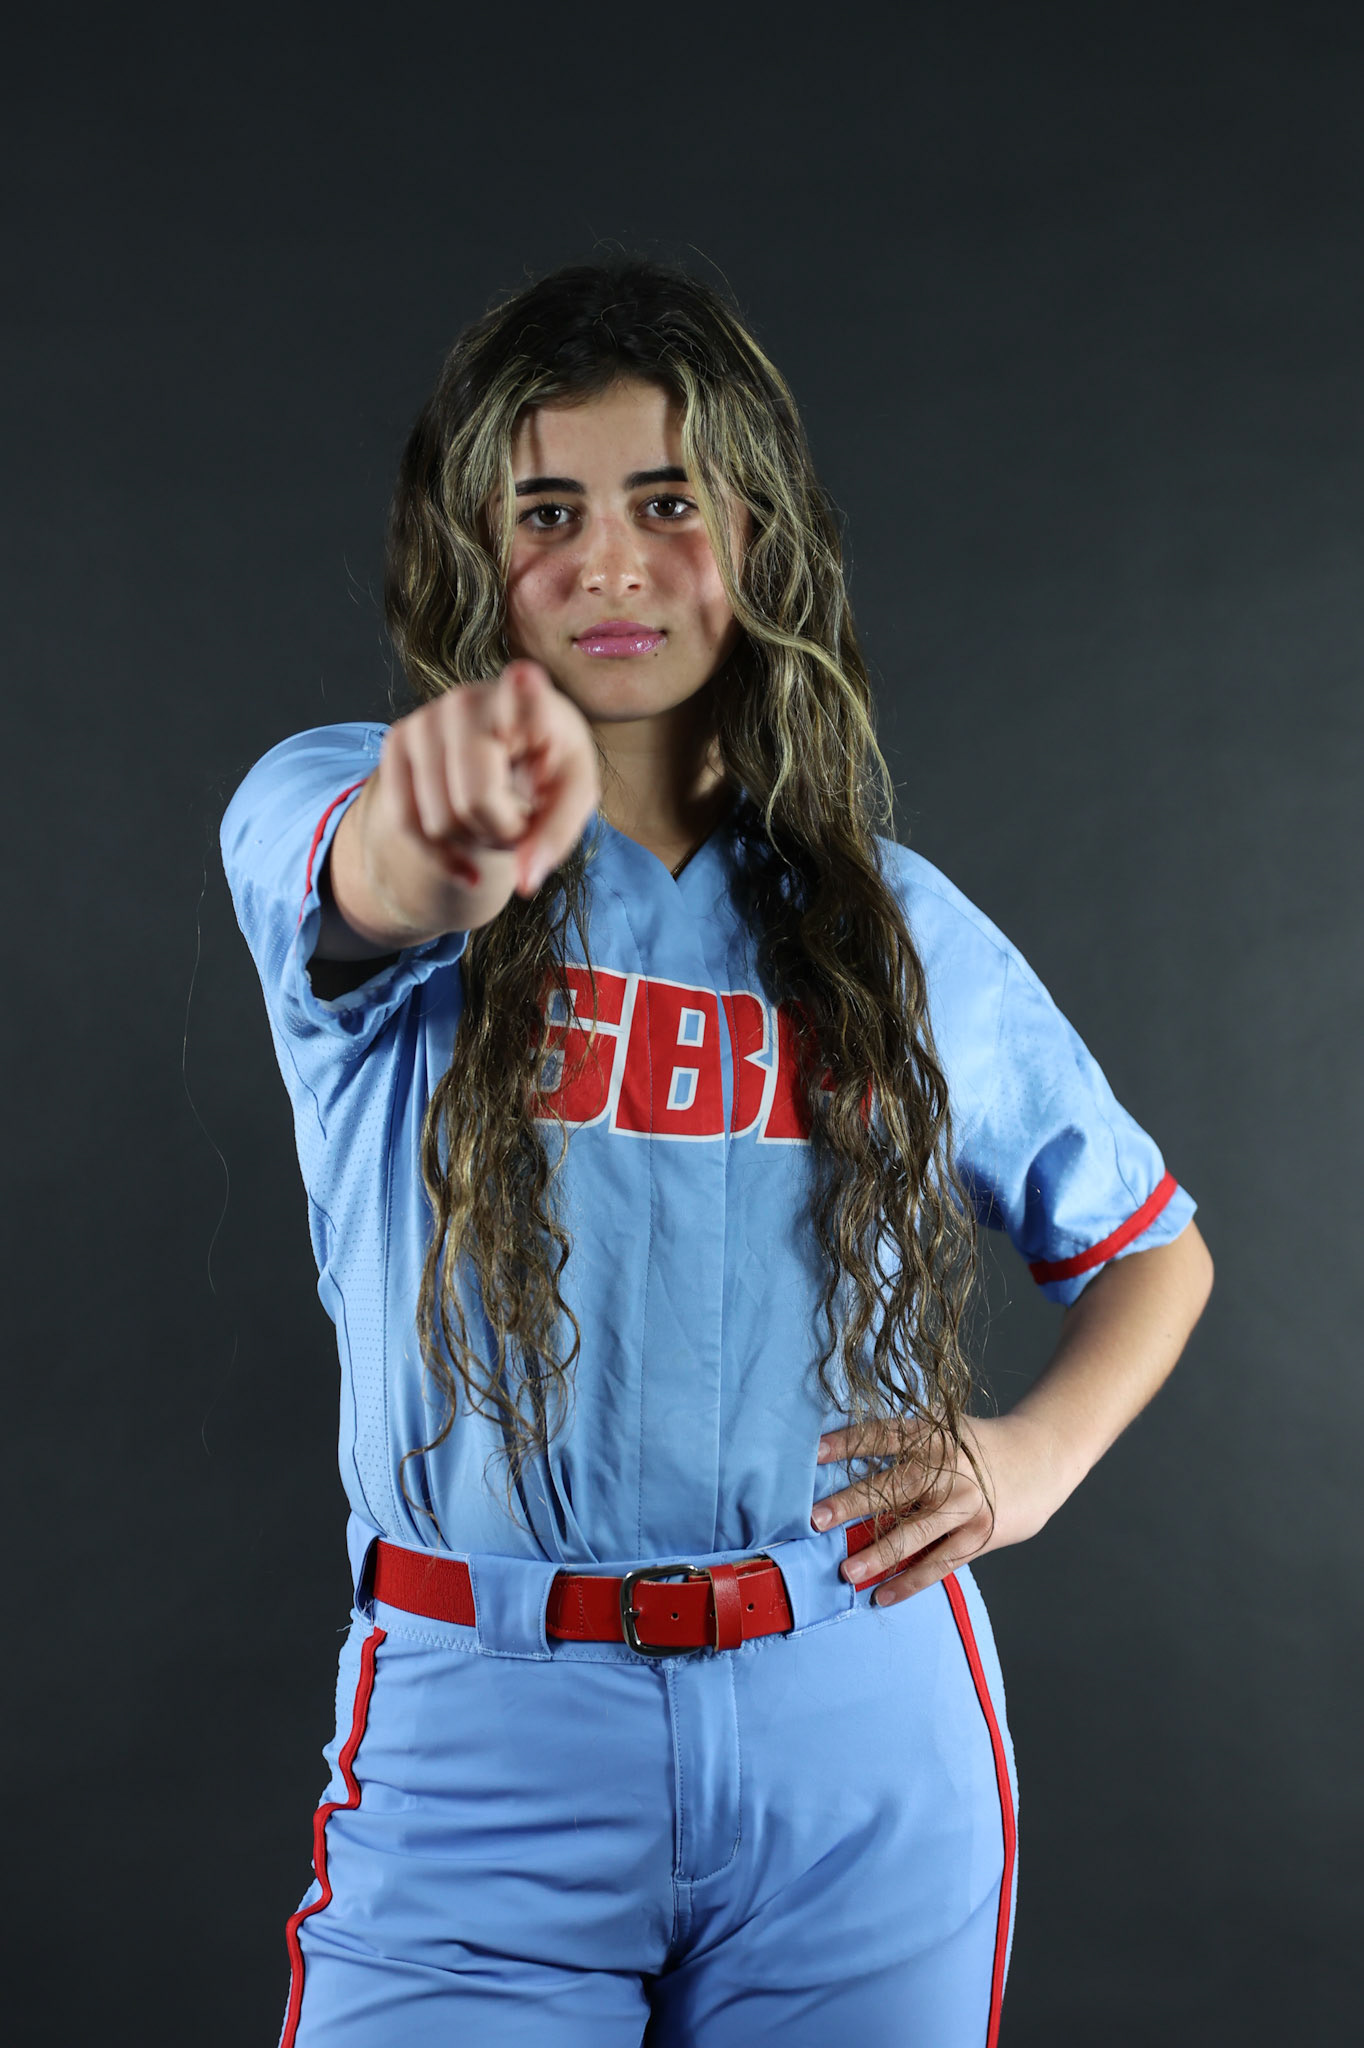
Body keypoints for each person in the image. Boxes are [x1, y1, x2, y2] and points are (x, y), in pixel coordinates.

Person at [220, 257, 1213, 2048]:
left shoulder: (887, 923)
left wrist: (1029, 1462)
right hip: (491, 1727)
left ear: (753, 540)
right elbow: (375, 876)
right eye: (547, 511)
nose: (609, 561)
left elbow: (1154, 1244)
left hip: (857, 1728)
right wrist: (442, 838)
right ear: (474, 552)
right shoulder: (328, 790)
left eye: (665, 502)